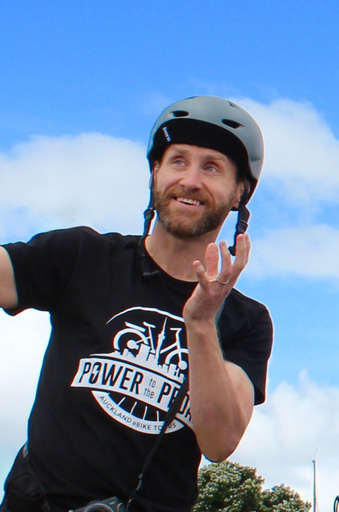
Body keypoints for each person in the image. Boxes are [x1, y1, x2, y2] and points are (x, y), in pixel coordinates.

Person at [0, 96, 273, 512]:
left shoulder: (246, 320)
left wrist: (200, 323)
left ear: (240, 193)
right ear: (155, 173)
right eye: (178, 161)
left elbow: (219, 442)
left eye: (212, 167)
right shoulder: (82, 256)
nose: (191, 180)